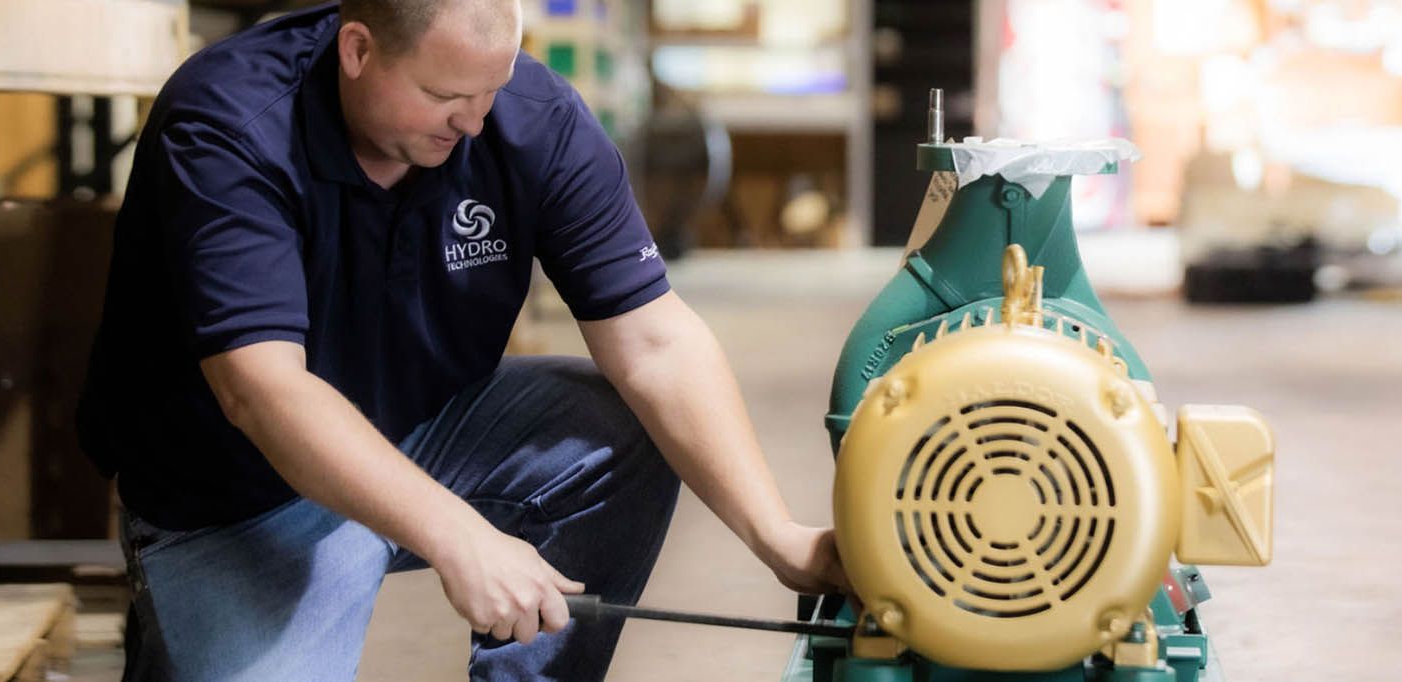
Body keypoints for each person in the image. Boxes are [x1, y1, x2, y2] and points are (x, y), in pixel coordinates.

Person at [75, 1, 846, 679]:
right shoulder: (230, 123)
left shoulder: (531, 119)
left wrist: (777, 538)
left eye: (491, 88)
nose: (474, 121)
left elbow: (657, 343)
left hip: (421, 432)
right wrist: (458, 536)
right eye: (444, 94)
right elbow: (263, 392)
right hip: (236, 497)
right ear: (357, 51)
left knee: (617, 428)